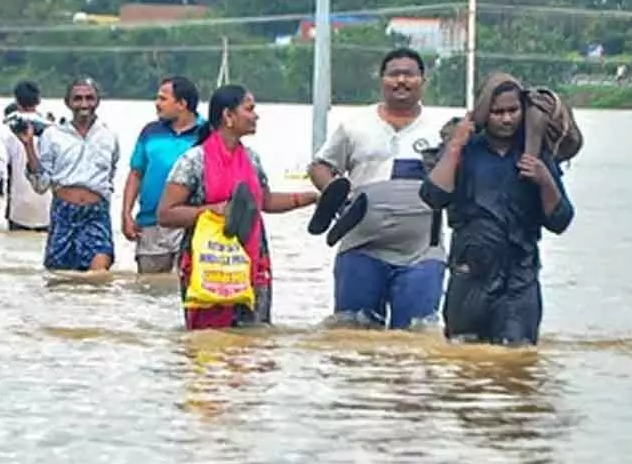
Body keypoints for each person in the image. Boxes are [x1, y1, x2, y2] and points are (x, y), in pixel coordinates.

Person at [419, 72, 575, 346]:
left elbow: (560, 221)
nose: (506, 119)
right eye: (497, 112)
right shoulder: (466, 151)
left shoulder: (535, 154)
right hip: (470, 274)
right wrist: (455, 145)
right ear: (483, 114)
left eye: (513, 111)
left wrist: (545, 180)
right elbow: (433, 196)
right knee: (463, 355)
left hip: (520, 277)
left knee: (517, 353)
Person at [157, 84, 318, 330]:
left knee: (254, 336)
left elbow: (265, 202)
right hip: (208, 260)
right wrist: (213, 211)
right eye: (249, 109)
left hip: (252, 259)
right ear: (228, 116)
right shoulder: (193, 160)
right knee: (207, 341)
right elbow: (166, 214)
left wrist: (312, 197)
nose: (256, 116)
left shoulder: (252, 159)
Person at [307, 47, 447, 330]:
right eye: (394, 74)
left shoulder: (441, 129)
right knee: (353, 335)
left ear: (423, 80)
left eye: (409, 75)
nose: (401, 81)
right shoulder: (354, 125)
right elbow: (319, 166)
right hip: (361, 247)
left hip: (422, 252)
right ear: (382, 79)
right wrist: (337, 195)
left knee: (416, 336)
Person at [22, 77, 120, 271]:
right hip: (64, 213)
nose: (84, 104)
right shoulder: (53, 135)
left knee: (98, 276)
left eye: (89, 98)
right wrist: (28, 146)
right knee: (59, 278)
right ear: (68, 102)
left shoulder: (109, 136)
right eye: (78, 99)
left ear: (97, 101)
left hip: (96, 214)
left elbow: (110, 175)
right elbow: (41, 185)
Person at [121, 75, 203, 273]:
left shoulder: (207, 134)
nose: (157, 104)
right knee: (148, 291)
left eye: (163, 99)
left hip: (191, 223)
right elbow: (136, 174)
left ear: (182, 103)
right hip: (150, 225)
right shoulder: (150, 132)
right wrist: (126, 214)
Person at [0, 85, 52, 231]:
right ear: (38, 101)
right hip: (48, 210)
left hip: (18, 210)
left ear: (16, 101)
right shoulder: (51, 129)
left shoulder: (7, 128)